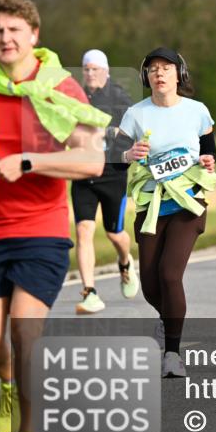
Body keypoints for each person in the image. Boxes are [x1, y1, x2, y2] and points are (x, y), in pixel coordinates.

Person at [0, 0, 109, 432]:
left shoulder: (57, 88)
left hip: (39, 230)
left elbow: (93, 161)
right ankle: (8, 384)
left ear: (34, 36)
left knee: (25, 331)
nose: (4, 39)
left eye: (14, 30)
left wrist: (30, 162)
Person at [109, 47, 216, 378]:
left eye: (166, 68)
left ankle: (172, 353)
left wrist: (208, 160)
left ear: (178, 74)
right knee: (150, 285)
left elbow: (209, 149)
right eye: (153, 69)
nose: (159, 73)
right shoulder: (135, 114)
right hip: (150, 203)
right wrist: (129, 153)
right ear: (146, 77)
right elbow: (118, 152)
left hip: (187, 202)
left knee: (170, 274)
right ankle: (168, 317)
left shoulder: (197, 111)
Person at [71, 49, 139, 314]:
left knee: (115, 234)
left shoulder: (120, 98)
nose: (89, 73)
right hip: (83, 174)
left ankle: (125, 261)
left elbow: (130, 137)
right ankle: (90, 292)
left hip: (112, 174)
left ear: (106, 71)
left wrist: (110, 133)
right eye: (86, 69)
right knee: (83, 231)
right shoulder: (75, 97)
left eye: (95, 69)